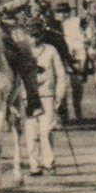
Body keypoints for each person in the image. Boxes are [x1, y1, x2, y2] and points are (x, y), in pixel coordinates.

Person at [23, 23, 69, 175]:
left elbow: (61, 75)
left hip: (47, 96)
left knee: (46, 130)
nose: (34, 39)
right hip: (27, 97)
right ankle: (34, 165)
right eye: (31, 35)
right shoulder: (22, 51)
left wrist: (59, 96)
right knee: (31, 132)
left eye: (36, 35)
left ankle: (49, 163)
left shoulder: (50, 50)